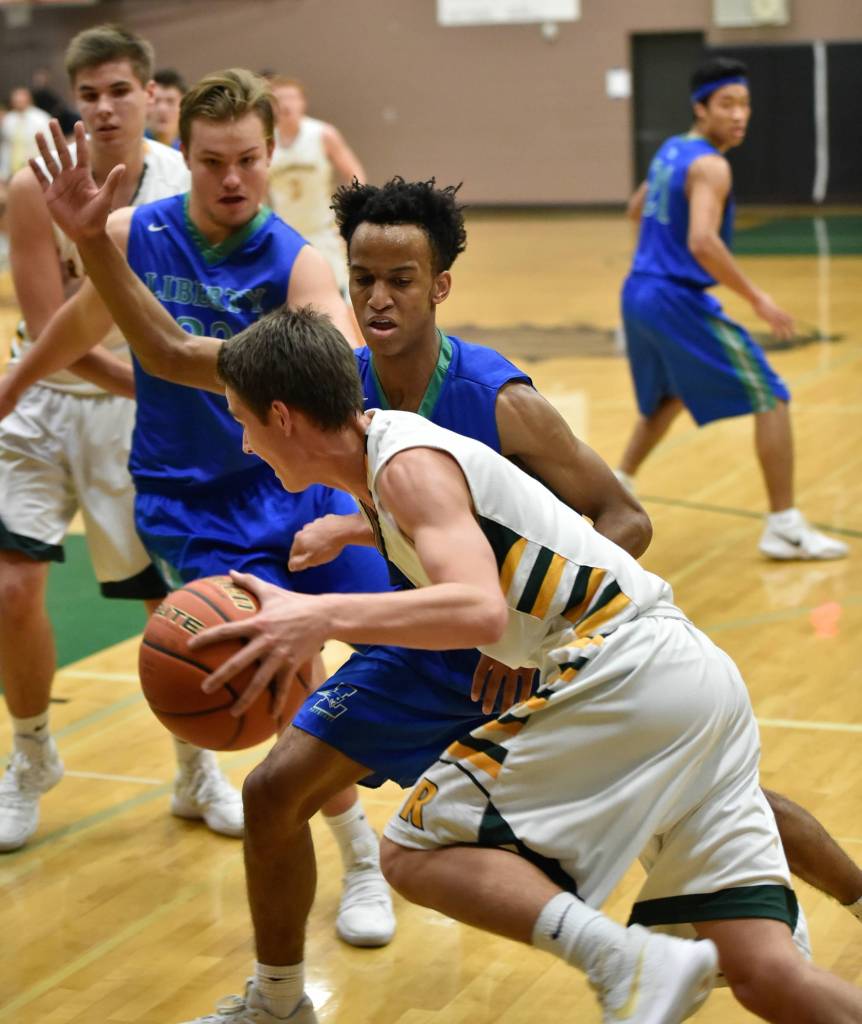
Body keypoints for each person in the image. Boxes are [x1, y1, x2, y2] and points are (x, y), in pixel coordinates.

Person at [21, 159, 862, 1020]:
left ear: (440, 286)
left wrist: (520, 634)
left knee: (433, 844)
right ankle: (279, 1000)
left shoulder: (493, 397)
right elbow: (166, 353)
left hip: (567, 654)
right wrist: (91, 238)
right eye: (363, 280)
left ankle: (690, 941)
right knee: (276, 793)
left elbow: (619, 518)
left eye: (400, 280)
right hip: (447, 649)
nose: (379, 298)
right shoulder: (333, 382)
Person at [213, 307, 861, 1024]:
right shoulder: (387, 467)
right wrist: (349, 531)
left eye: (243, 420)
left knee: (414, 848)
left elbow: (479, 611)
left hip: (625, 667)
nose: (243, 442)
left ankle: (622, 961)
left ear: (283, 415)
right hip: (695, 683)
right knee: (766, 974)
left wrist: (319, 617)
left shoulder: (406, 466)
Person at [12, 68, 398, 947]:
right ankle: (361, 853)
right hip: (194, 504)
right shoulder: (130, 232)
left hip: (296, 485)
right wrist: (16, 383)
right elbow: (78, 326)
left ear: (270, 159)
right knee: (289, 674)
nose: (234, 179)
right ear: (179, 157)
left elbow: (328, 364)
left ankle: (445, 799)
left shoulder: (298, 259)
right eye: (214, 160)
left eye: (250, 161)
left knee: (405, 641)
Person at [0, 24, 248, 854]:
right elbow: (49, 329)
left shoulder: (184, 187)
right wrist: (161, 374)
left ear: (150, 96)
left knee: (172, 606)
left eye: (119, 91)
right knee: (10, 591)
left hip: (135, 420)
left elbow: (178, 326)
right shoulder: (34, 187)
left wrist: (170, 379)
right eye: (89, 95)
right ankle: (31, 754)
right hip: (42, 404)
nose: (104, 107)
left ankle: (195, 767)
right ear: (77, 103)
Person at [615, 57, 848, 562]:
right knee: (771, 395)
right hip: (674, 295)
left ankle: (612, 488)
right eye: (727, 105)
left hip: (639, 290)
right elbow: (702, 241)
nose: (739, 115)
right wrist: (757, 298)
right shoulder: (712, 165)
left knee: (666, 400)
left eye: (744, 104)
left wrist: (653, 257)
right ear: (701, 109)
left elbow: (637, 208)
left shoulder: (672, 149)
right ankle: (784, 525)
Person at [267, 76, 365, 293]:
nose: (286, 104)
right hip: (286, 234)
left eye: (291, 97)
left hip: (322, 231)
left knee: (340, 295)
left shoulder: (323, 134)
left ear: (303, 102)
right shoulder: (266, 141)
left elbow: (354, 173)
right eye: (279, 98)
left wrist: (350, 217)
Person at [0, 87, 51, 182]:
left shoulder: (41, 119)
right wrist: (3, 172)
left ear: (28, 100)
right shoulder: (9, 120)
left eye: (21, 100)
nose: (19, 103)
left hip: (35, 167)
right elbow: (6, 146)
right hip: (12, 170)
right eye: (16, 101)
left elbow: (49, 144)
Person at [145, 68, 185, 149]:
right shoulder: (134, 148)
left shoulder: (188, 152)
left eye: (170, 101)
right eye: (156, 101)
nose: (162, 109)